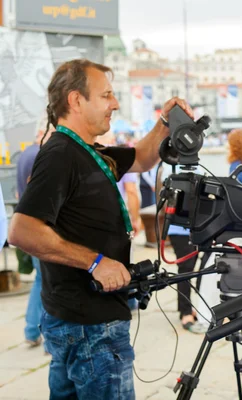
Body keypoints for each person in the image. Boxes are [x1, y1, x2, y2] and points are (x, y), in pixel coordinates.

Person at [8, 59, 194, 399]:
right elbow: (21, 231)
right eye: (106, 95)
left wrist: (165, 123)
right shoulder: (60, 154)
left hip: (78, 321)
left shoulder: (88, 151)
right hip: (89, 326)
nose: (116, 103)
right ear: (76, 100)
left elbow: (141, 157)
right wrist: (96, 262)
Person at [17, 116, 53, 348]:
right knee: (47, 283)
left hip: (30, 224)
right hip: (39, 227)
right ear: (43, 132)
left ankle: (32, 330)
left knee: (41, 280)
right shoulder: (39, 154)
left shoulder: (24, 155)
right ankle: (43, 334)